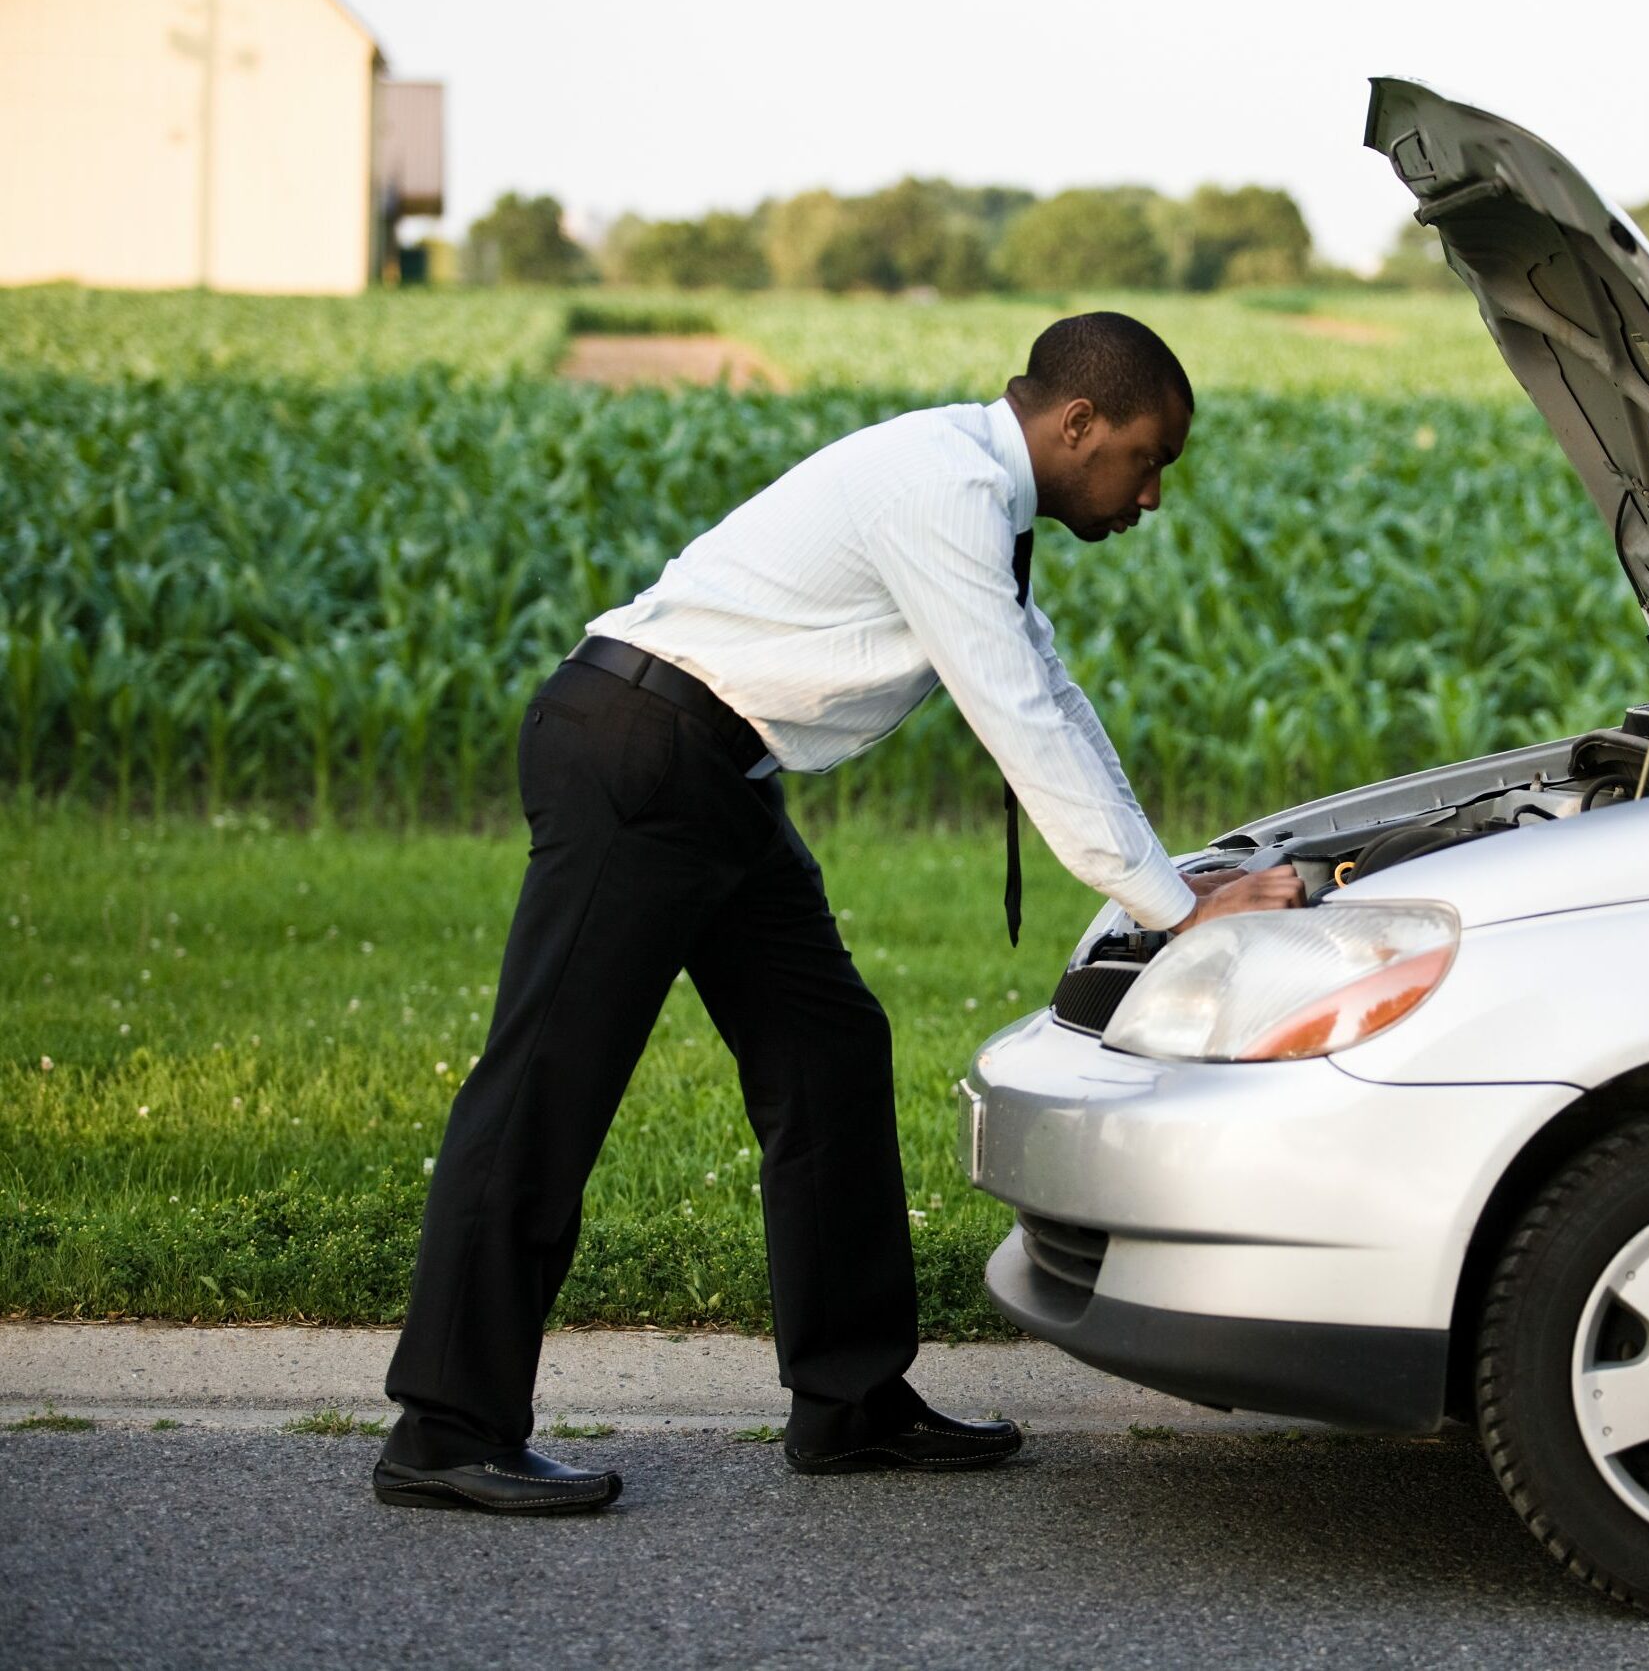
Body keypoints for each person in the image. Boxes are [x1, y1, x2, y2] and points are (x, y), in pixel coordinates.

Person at [372, 313, 1305, 1514]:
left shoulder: (977, 497)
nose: (1153, 493)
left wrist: (1170, 882)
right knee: (546, 1086)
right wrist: (1173, 911)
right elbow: (1012, 714)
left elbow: (1054, 696)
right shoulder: (942, 491)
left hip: (713, 778)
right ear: (1076, 423)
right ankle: (444, 1430)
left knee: (828, 1054)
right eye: (1146, 456)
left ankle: (852, 1402)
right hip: (640, 755)